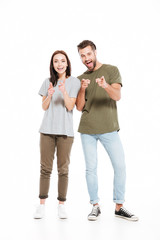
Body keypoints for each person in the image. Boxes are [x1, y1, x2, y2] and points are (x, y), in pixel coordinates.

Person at [76, 40, 138, 221]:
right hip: (87, 129)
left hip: (109, 128)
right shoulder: (81, 78)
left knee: (120, 166)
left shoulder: (111, 70)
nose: (86, 58)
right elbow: (79, 107)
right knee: (91, 169)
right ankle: (95, 206)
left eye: (88, 54)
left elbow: (117, 96)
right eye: (82, 55)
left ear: (95, 52)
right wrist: (81, 90)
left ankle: (119, 207)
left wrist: (105, 86)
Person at [34, 50, 80, 219]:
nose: (59, 64)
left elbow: (70, 106)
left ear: (67, 63)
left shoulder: (75, 82)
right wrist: (50, 95)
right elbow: (44, 107)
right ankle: (41, 205)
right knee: (45, 169)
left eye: (62, 61)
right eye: (56, 61)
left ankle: (61, 205)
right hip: (46, 131)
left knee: (63, 169)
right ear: (52, 64)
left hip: (65, 132)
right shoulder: (47, 82)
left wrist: (64, 91)